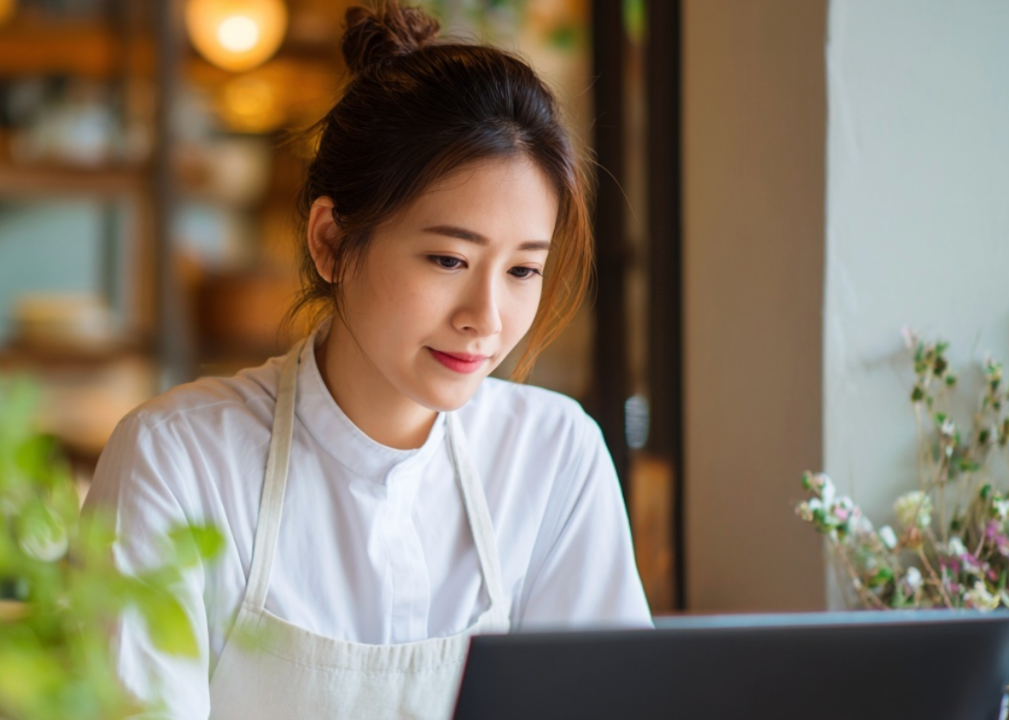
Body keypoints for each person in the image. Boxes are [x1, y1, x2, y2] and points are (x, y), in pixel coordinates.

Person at [83, 2, 651, 718]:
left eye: (522, 271)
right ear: (330, 242)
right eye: (448, 258)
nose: (486, 316)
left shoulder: (553, 456)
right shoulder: (178, 460)